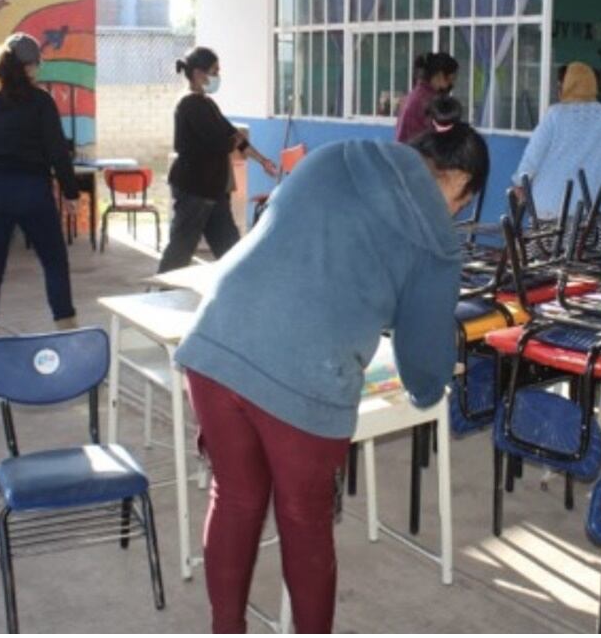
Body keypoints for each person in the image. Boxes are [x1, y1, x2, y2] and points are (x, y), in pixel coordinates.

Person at [173, 95, 489, 633]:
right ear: (459, 180)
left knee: (236, 497)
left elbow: (289, 244)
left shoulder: (335, 155)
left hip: (216, 341)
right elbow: (424, 362)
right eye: (464, 201)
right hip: (305, 373)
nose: (456, 212)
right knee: (304, 521)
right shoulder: (437, 240)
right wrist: (427, 386)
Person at [0, 33, 80, 359]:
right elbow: (57, 151)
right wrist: (70, 192)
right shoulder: (40, 101)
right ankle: (67, 330)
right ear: (32, 66)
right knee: (54, 261)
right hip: (31, 189)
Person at [157, 47, 278, 273]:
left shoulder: (207, 104)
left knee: (230, 248)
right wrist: (232, 140)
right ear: (198, 73)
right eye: (214, 71)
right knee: (181, 249)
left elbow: (234, 136)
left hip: (213, 190)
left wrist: (263, 161)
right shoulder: (190, 104)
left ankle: (240, 287)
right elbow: (220, 142)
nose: (217, 77)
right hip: (195, 189)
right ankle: (161, 290)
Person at [513, 61, 601, 217]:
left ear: (566, 85)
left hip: (550, 209)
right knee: (596, 234)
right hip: (597, 209)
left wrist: (520, 183)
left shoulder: (554, 116)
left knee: (545, 234)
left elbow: (533, 155)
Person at [394, 52, 459, 144]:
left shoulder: (413, 95)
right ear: (440, 75)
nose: (452, 84)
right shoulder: (430, 101)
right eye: (451, 79)